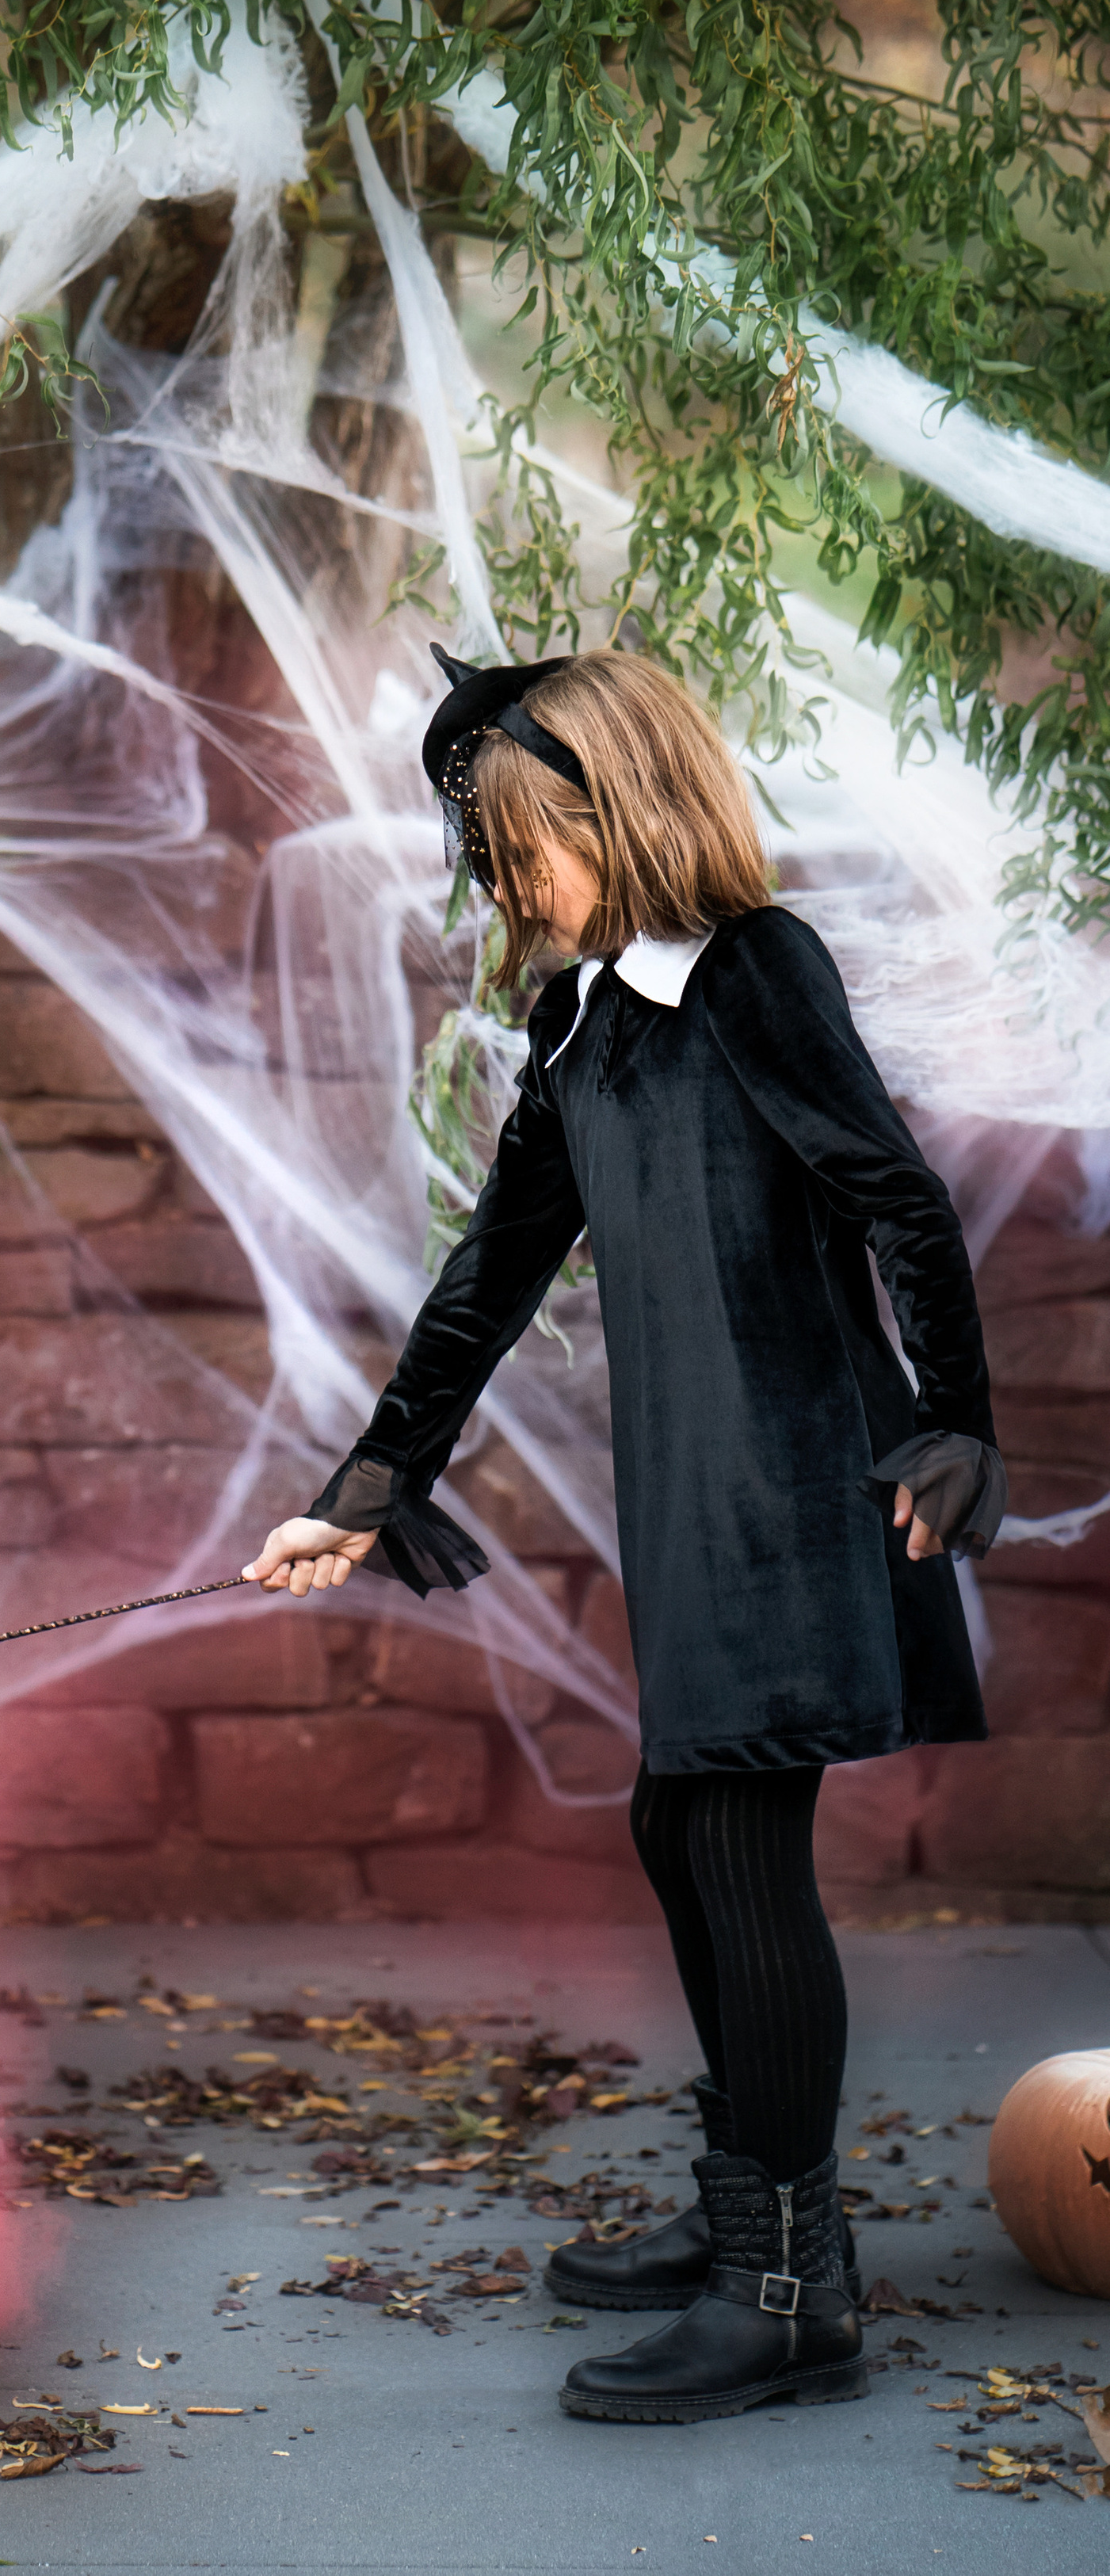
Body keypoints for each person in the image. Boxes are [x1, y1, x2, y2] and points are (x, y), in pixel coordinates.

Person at [245, 646, 1004, 2425]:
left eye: (527, 847)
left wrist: (957, 1413)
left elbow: (896, 1194)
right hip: (692, 1488)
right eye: (491, 857)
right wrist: (369, 1484)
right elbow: (492, 1267)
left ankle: (786, 2292)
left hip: (802, 1479)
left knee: (733, 1836)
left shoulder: (755, 970)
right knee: (684, 1824)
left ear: (625, 810)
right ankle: (752, 2207)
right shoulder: (580, 1019)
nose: (508, 883)